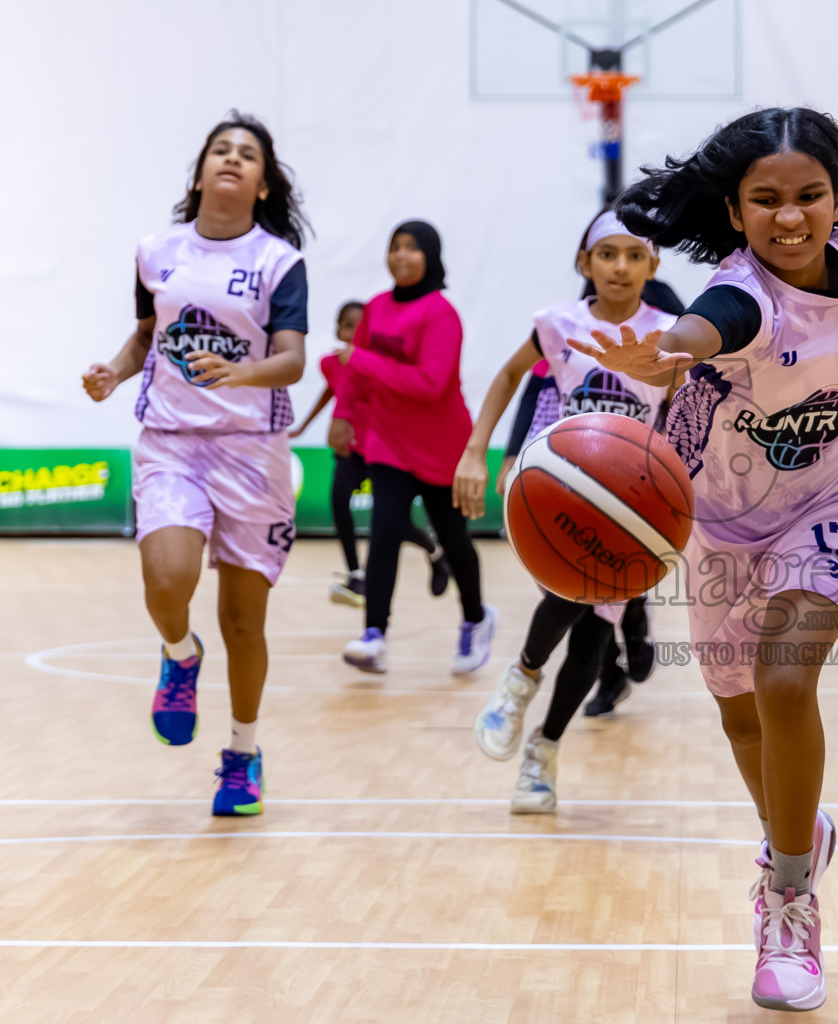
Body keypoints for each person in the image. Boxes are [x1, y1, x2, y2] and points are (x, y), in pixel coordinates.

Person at [543, 107, 838, 1013]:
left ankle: (788, 901)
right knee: (743, 723)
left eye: (809, 195)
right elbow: (707, 327)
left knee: (786, 679)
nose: (789, 216)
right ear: (735, 214)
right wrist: (667, 353)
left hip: (835, 502)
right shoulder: (740, 298)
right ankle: (798, 832)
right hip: (720, 525)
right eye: (765, 200)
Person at [80, 112, 308, 816]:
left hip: (251, 452)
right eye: (221, 150)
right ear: (201, 171)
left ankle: (243, 753)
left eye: (247, 155)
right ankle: (180, 654)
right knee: (168, 576)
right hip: (172, 438)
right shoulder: (157, 250)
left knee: (244, 623)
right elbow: (149, 332)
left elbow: (293, 360)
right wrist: (115, 373)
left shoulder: (279, 262)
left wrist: (241, 375)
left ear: (264, 185)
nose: (232, 160)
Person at [457, 209, 679, 813]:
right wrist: (477, 452)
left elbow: (687, 417)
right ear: (585, 264)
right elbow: (507, 378)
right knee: (574, 593)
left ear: (653, 266)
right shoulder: (559, 325)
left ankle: (543, 746)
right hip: (563, 494)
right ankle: (522, 680)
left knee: (594, 634)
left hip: (633, 504)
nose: (621, 266)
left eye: (635, 255)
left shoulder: (673, 333)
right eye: (608, 254)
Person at [335, 221, 496, 675]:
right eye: (395, 247)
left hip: (442, 448)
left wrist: (364, 359)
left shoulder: (440, 313)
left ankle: (475, 619)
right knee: (383, 531)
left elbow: (430, 384)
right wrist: (343, 416)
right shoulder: (376, 308)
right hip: (387, 442)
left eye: (412, 248)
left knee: (453, 540)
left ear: (430, 255)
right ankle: (374, 636)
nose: (401, 256)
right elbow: (353, 375)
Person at [291, 300, 449, 607]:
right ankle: (355, 574)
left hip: (382, 449)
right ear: (338, 329)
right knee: (338, 500)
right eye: (348, 325)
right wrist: (303, 426)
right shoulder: (329, 363)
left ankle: (435, 553)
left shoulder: (380, 365)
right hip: (349, 450)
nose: (354, 331)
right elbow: (332, 390)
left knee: (394, 521)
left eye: (361, 326)